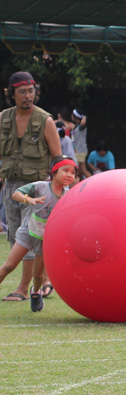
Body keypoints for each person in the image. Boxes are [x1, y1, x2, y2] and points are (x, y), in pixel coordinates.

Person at [0, 71, 62, 302]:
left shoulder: (44, 120)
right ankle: (45, 280)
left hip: (37, 189)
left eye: (31, 91)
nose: (28, 96)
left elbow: (58, 159)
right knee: (18, 235)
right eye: (22, 91)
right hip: (11, 187)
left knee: (28, 236)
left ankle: (23, 288)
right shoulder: (3, 118)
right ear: (11, 94)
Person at [0, 156, 76, 312]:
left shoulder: (68, 195)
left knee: (38, 276)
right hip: (28, 233)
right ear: (54, 172)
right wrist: (29, 200)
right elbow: (16, 194)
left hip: (45, 240)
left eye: (73, 172)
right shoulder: (40, 186)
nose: (70, 175)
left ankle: (35, 292)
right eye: (65, 170)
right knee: (8, 266)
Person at [71, 109, 90, 180]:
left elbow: (83, 123)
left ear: (75, 116)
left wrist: (84, 116)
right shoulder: (76, 126)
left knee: (79, 171)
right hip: (78, 151)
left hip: (80, 151)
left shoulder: (81, 127)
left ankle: (93, 183)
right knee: (81, 171)